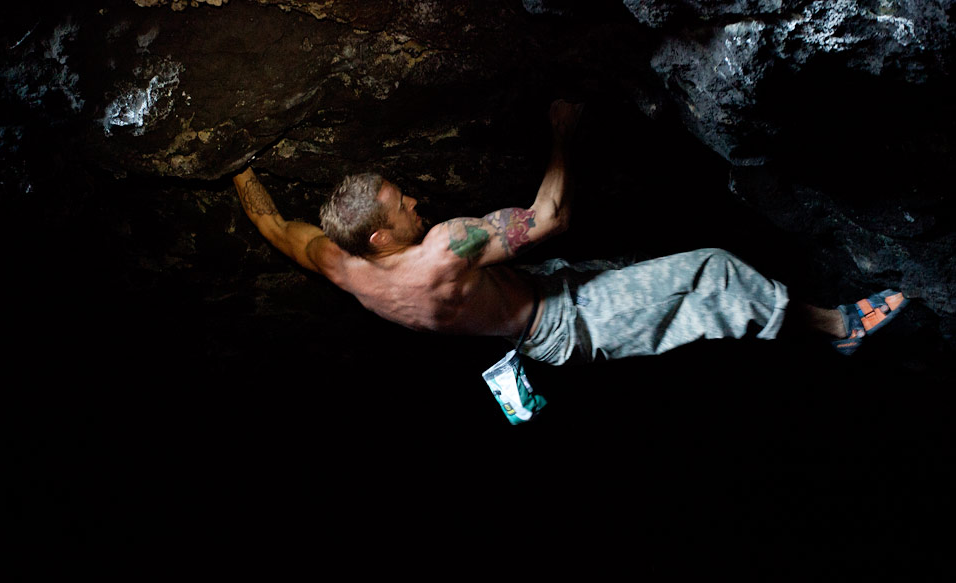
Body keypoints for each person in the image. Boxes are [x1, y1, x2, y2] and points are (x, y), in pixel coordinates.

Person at [231, 100, 907, 366]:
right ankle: (834, 328)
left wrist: (235, 170)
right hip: (565, 320)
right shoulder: (443, 248)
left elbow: (268, 221)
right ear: (381, 238)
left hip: (529, 301)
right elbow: (551, 218)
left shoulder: (338, 264)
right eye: (396, 202)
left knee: (646, 263)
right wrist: (561, 136)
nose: (413, 198)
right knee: (714, 270)